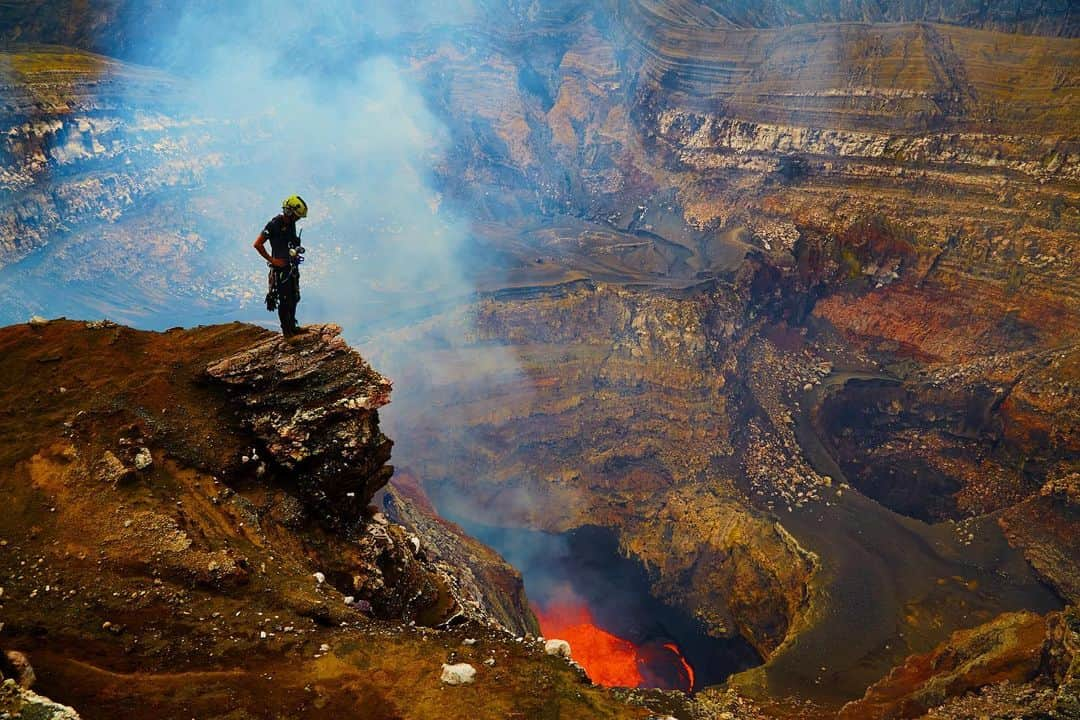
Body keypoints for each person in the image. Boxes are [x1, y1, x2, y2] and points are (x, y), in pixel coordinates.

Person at [254, 195, 308, 337]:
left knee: (294, 297)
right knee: (285, 300)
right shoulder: (273, 225)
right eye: (296, 216)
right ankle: (287, 332)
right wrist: (272, 260)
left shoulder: (291, 223)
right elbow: (257, 244)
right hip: (281, 270)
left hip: (291, 267)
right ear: (289, 212)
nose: (297, 219)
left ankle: (292, 326)